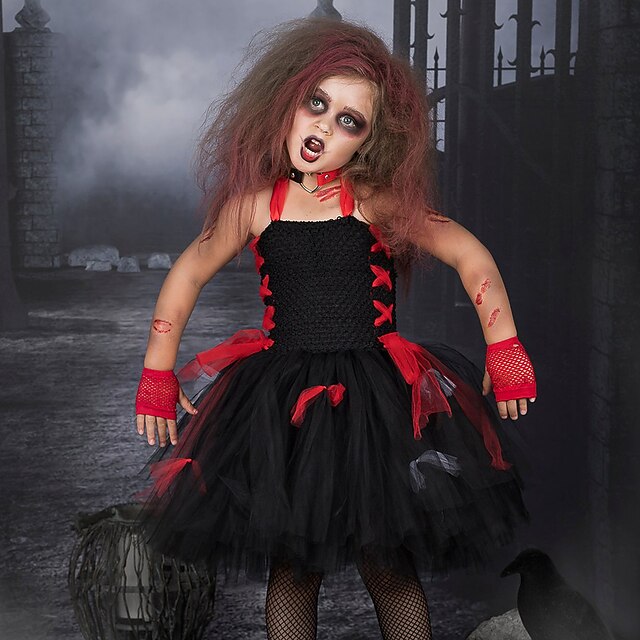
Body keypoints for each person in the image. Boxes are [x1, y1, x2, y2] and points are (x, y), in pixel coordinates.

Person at [133, 18, 536, 640]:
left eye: (349, 121)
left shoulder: (374, 202)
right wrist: (157, 372)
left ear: (372, 142)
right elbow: (187, 273)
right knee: (293, 569)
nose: (323, 127)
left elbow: (469, 254)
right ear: (285, 101)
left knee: (389, 564)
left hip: (375, 399)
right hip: (284, 403)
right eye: (316, 104)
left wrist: (504, 346)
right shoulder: (254, 207)